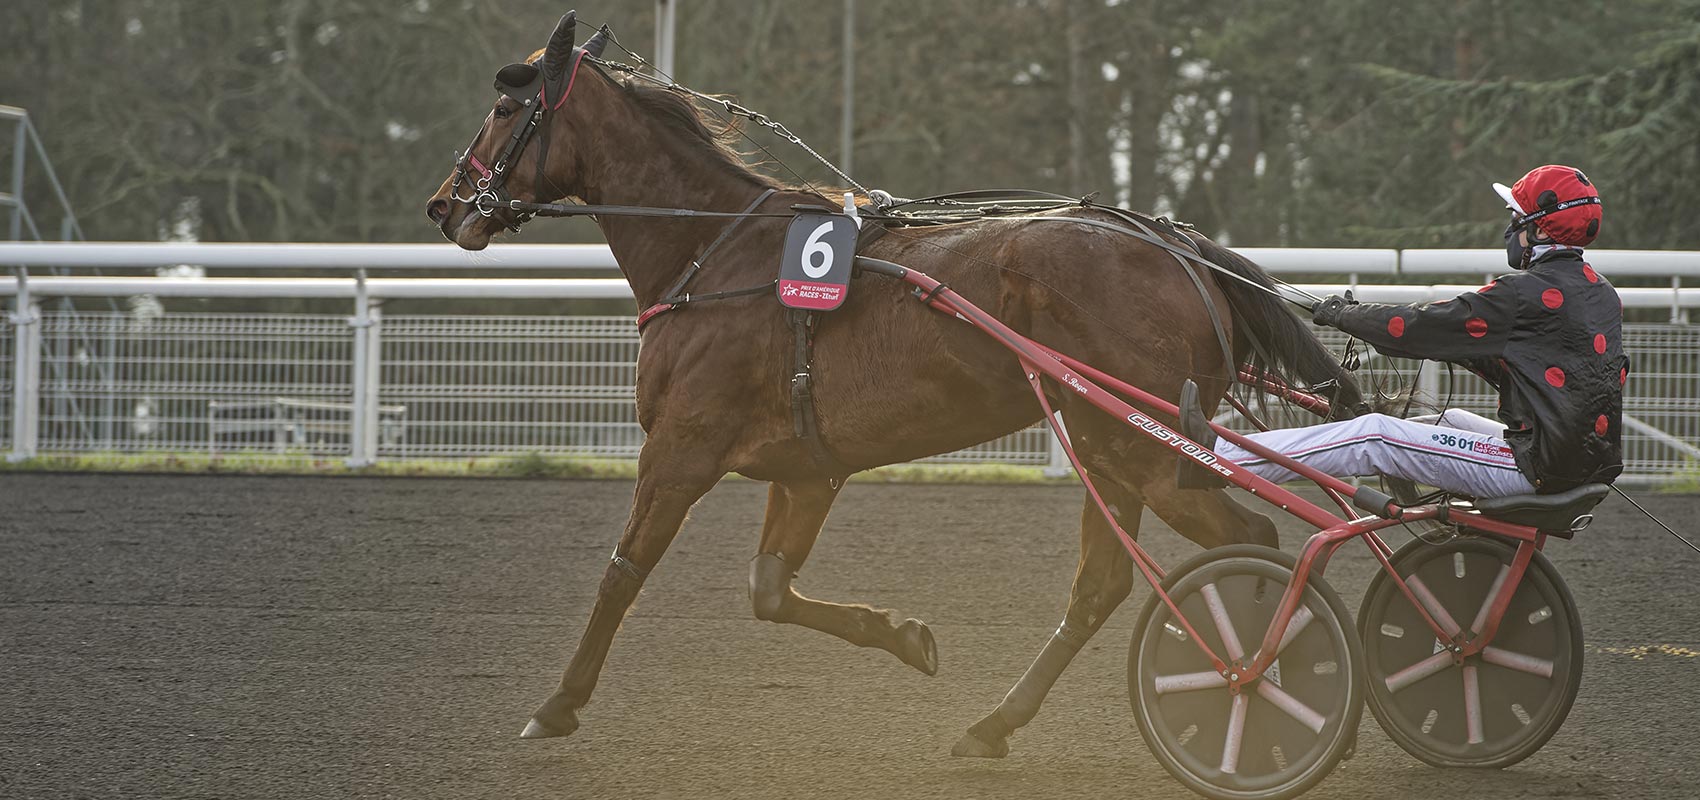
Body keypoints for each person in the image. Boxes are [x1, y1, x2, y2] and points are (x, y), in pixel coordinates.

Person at [1183, 165, 1626, 498]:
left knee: (1374, 434)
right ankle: (1414, 472)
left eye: (1515, 218)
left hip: (1537, 468)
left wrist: (1343, 315)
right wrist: (1460, 347)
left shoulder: (1523, 294)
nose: (1509, 228)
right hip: (1580, 464)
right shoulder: (1601, 294)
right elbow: (1535, 364)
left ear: (1534, 228)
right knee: (1446, 421)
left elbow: (1414, 327)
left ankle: (1221, 457)